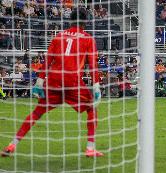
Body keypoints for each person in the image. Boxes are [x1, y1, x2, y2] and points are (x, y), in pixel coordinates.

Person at [1, 8, 103, 158]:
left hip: (54, 81)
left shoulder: (59, 36)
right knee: (91, 109)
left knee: (37, 112)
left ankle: (12, 145)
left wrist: (39, 82)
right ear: (85, 22)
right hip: (72, 81)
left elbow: (48, 60)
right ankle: (90, 148)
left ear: (70, 20)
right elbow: (93, 65)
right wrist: (96, 86)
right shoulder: (88, 39)